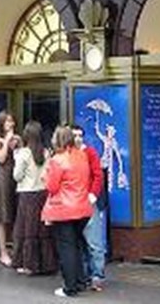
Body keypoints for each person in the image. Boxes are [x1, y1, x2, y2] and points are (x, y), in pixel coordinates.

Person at [42, 125, 93, 298]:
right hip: (83, 208)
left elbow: (51, 187)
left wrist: (46, 172)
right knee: (76, 245)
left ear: (57, 140)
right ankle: (80, 281)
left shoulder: (57, 160)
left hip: (64, 210)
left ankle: (70, 287)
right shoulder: (81, 156)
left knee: (66, 249)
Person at [11, 121, 57, 276]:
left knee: (27, 230)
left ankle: (29, 264)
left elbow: (17, 176)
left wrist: (15, 157)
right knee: (43, 230)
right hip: (43, 194)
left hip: (27, 195)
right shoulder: (46, 152)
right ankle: (46, 264)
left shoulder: (23, 153)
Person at [72, 124, 106, 291]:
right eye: (74, 135)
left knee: (94, 242)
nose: (78, 138)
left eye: (80, 135)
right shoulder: (67, 154)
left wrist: (92, 195)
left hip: (88, 202)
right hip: (73, 203)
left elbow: (98, 175)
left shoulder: (90, 153)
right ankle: (84, 275)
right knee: (80, 242)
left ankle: (97, 275)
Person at [0, 110, 19, 267]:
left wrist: (16, 143)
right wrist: (6, 141)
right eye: (7, 121)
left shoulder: (17, 138)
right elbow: (0, 157)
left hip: (17, 177)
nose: (10, 124)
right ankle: (3, 252)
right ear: (1, 123)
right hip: (3, 178)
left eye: (12, 121)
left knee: (16, 214)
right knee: (2, 215)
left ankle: (17, 250)